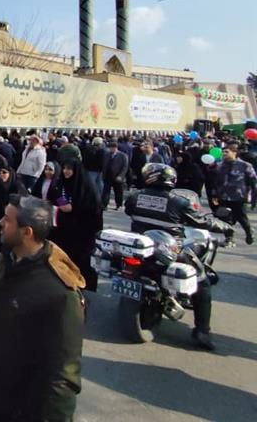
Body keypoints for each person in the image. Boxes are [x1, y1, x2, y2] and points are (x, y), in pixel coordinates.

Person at [0, 194, 84, 421]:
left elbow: (64, 374)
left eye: (7, 219)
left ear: (27, 232)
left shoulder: (59, 292)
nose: (0, 223)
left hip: (20, 404)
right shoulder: (3, 261)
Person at [125, 163, 233, 349]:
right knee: (203, 282)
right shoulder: (178, 202)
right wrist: (226, 227)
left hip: (141, 247)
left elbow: (129, 211)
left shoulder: (135, 196)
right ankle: (202, 331)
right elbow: (203, 221)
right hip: (170, 249)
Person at [47, 159, 102, 291]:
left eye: (69, 169)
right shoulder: (61, 183)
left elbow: (93, 209)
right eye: (64, 168)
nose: (66, 171)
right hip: (62, 230)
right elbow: (54, 195)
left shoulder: (87, 187)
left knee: (79, 261)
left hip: (81, 232)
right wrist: (63, 204)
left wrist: (74, 208)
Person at [212, 142, 256, 245]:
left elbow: (253, 181)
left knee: (241, 217)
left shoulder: (245, 165)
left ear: (234, 152)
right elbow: (216, 181)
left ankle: (249, 232)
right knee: (225, 218)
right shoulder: (220, 166)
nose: (224, 154)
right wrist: (214, 194)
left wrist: (254, 197)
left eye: (227, 152)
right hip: (224, 196)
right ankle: (229, 238)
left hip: (239, 196)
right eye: (223, 152)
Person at [101, 140, 129, 210]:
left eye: (111, 148)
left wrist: (121, 176)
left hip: (117, 176)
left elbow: (125, 167)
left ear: (115, 148)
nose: (110, 149)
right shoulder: (107, 155)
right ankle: (104, 205)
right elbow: (104, 164)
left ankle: (118, 205)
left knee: (118, 192)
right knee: (106, 191)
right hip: (108, 175)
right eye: (109, 148)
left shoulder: (123, 155)